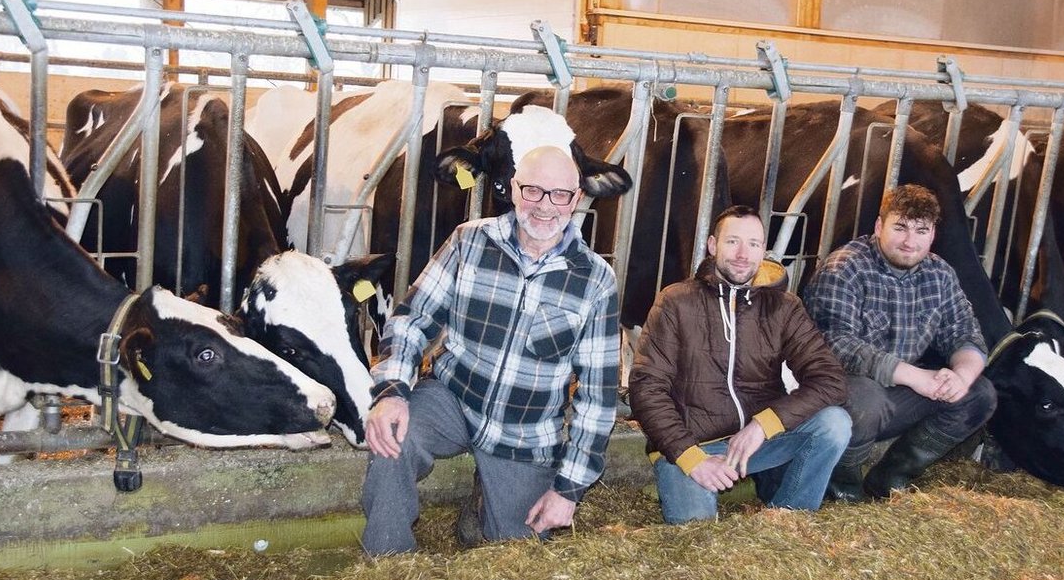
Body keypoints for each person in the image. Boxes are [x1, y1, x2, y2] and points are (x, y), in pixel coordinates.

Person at [361, 145, 620, 555]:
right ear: (513, 189)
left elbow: (599, 398)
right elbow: (411, 319)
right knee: (393, 435)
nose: (544, 206)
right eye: (532, 190)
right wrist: (391, 391)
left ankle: (483, 505)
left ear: (577, 199)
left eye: (559, 195)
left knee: (519, 555)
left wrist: (569, 489)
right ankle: (388, 562)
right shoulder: (469, 241)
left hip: (525, 429)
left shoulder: (595, 280)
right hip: (454, 397)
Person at [628, 204, 851, 524]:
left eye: (754, 244)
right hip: (695, 446)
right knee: (696, 529)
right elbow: (647, 387)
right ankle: (693, 483)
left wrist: (765, 424)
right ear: (712, 245)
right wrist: (691, 458)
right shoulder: (676, 301)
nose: (743, 253)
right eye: (733, 242)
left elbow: (830, 380)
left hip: (759, 442)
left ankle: (789, 518)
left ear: (764, 251)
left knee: (834, 423)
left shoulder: (783, 306)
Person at [801, 183, 997, 500]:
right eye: (900, 227)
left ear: (933, 234)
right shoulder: (845, 267)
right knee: (865, 398)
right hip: (839, 394)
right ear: (879, 226)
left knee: (979, 393)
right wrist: (915, 376)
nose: (910, 241)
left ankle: (891, 478)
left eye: (921, 230)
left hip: (898, 392)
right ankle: (841, 489)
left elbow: (965, 331)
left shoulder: (940, 274)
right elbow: (834, 344)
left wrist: (961, 376)